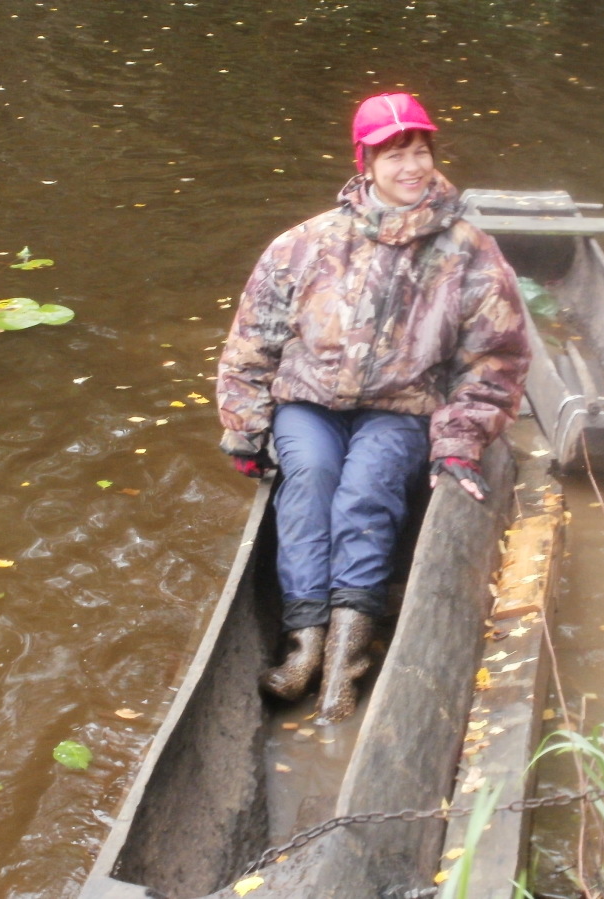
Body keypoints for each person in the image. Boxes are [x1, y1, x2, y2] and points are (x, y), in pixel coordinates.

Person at [216, 92, 529, 724]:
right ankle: (304, 641)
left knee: (368, 488)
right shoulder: (304, 244)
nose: (410, 166)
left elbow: (496, 360)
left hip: (402, 407)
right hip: (310, 404)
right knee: (308, 481)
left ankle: (345, 663)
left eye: (419, 151)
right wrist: (247, 430)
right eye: (394, 154)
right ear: (365, 162)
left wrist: (459, 441)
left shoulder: (468, 250)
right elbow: (252, 340)